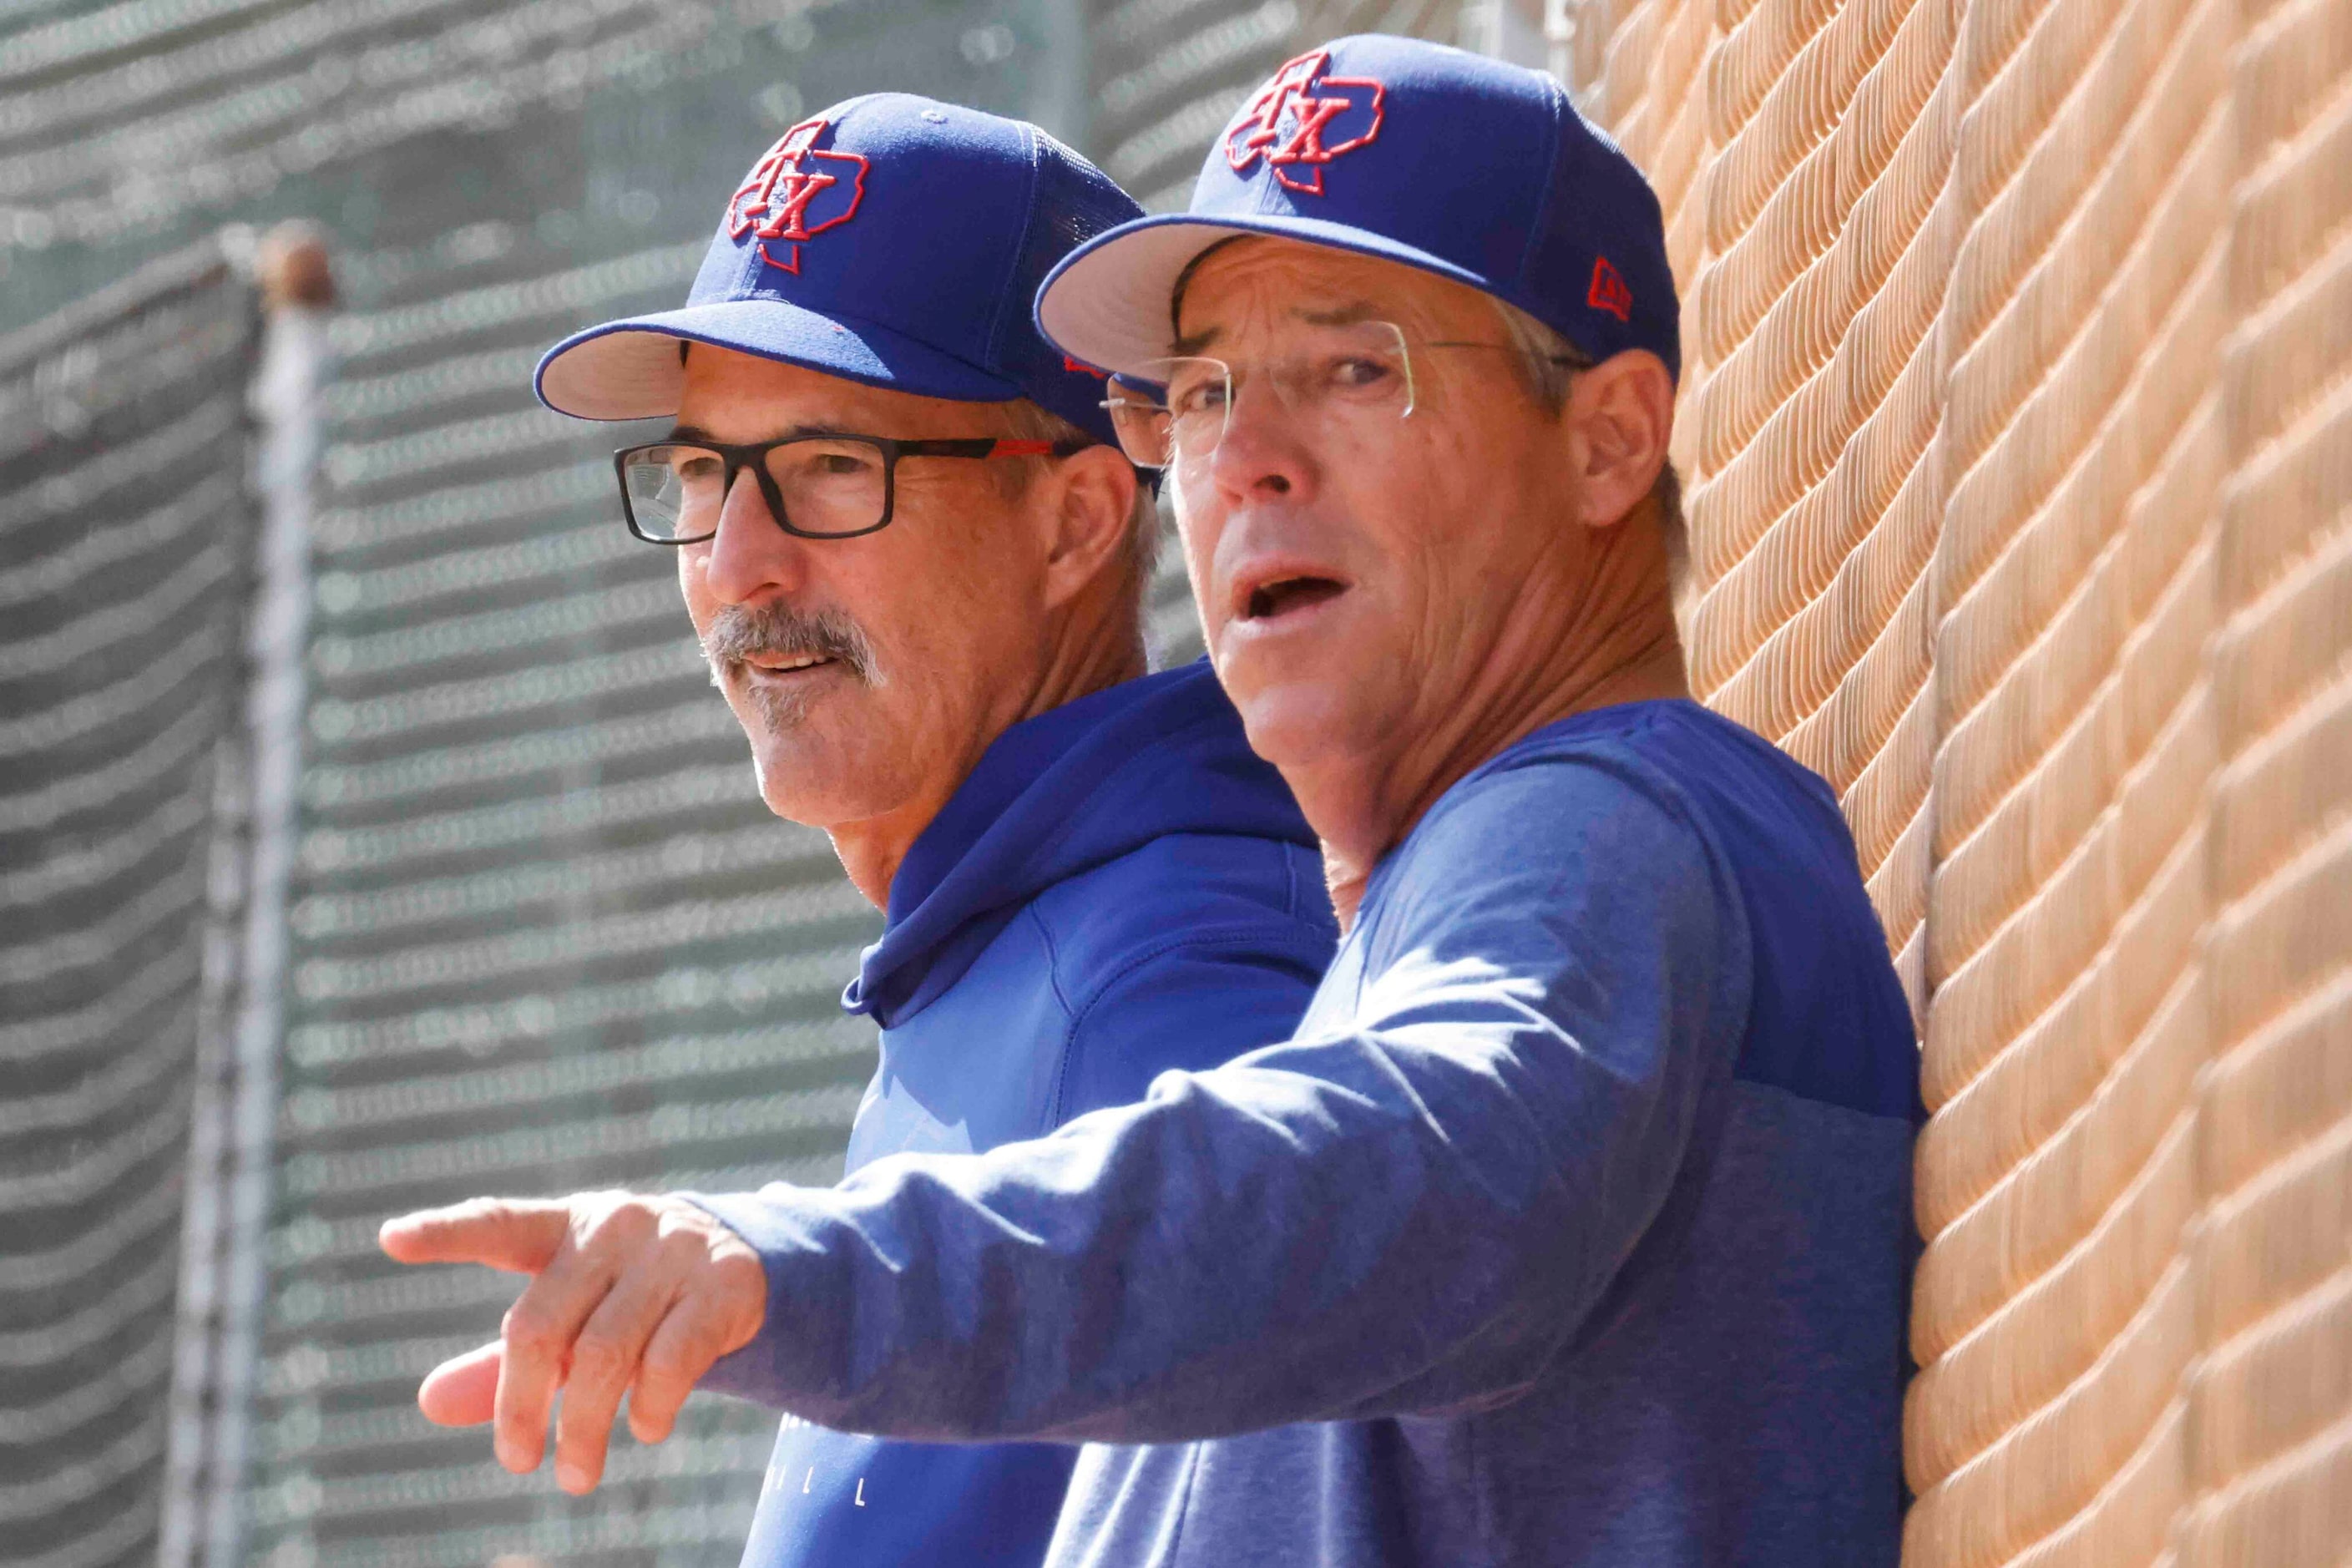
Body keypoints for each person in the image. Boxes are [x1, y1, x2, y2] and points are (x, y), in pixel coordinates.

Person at [385, 39, 1924, 1566]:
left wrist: (795, 1274)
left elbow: (1419, 1173)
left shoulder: (1598, 822)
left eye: (1352, 366)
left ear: (1604, 440)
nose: (1243, 457)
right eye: (1195, 393)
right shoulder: (1439, 894)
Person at [382, 95, 1336, 1568]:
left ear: (1079, 521)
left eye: (832, 466)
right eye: (701, 474)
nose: (740, 566)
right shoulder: (1016, 943)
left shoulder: (1177, 975)